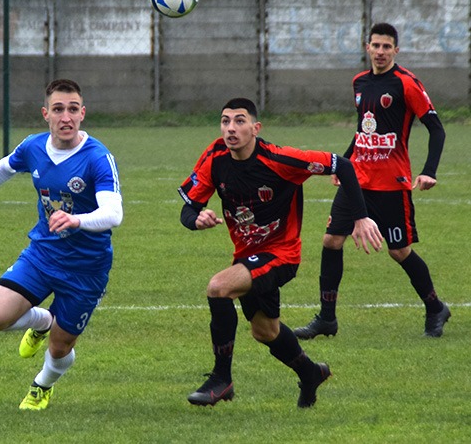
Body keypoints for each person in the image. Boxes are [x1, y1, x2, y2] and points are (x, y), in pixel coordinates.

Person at [178, 97, 383, 408]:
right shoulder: (215, 157)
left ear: (256, 128)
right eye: (225, 121)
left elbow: (342, 164)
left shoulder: (280, 159)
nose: (231, 128)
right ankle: (311, 372)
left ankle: (222, 380)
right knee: (265, 331)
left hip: (281, 255)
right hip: (247, 256)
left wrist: (360, 216)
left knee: (219, 288)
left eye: (240, 121)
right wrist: (197, 219)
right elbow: (188, 209)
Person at [0, 79, 123, 410]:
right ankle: (42, 321)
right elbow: (4, 167)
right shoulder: (34, 147)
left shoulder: (97, 157)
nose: (65, 117)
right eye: (57, 110)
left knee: (60, 347)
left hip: (86, 268)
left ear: (82, 113)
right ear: (45, 114)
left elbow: (114, 213)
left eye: (72, 110)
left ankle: (42, 385)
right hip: (43, 254)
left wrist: (77, 219)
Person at [294, 22, 450, 341]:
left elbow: (436, 128)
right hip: (358, 181)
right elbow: (363, 131)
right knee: (331, 241)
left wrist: (429, 171)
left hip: (392, 184)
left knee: (399, 251)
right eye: (375, 46)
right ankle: (327, 318)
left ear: (396, 50)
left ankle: (435, 308)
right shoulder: (359, 83)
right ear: (367, 47)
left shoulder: (406, 84)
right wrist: (344, 162)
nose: (380, 52)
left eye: (386, 47)